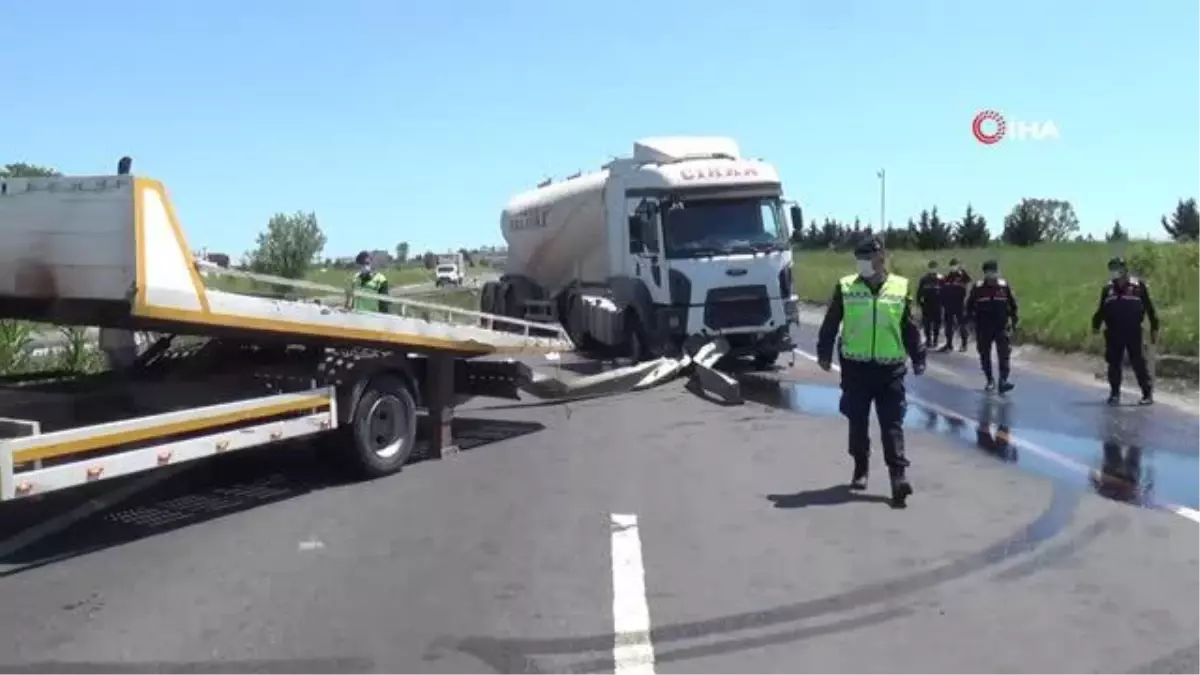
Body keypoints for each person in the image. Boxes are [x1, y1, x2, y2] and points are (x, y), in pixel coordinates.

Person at [816, 236, 926, 507]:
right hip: (856, 368)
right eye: (859, 258)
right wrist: (824, 354)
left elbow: (909, 326)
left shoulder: (900, 287)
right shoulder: (846, 287)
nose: (862, 263)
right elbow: (831, 323)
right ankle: (861, 467)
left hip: (890, 369)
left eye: (867, 258)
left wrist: (918, 356)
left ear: (881, 258)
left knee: (892, 424)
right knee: (858, 422)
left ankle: (898, 477)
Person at [1090, 256, 1157, 405]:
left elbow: (1149, 308)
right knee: (1114, 363)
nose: (1115, 272)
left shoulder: (1138, 286)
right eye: (1112, 269)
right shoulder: (1108, 289)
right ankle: (1114, 394)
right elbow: (1101, 309)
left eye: (1117, 268)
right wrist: (1095, 325)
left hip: (1133, 331)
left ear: (1125, 269)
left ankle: (1147, 394)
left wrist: (1154, 327)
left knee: (1138, 362)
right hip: (1114, 331)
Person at [965, 259, 1018, 393]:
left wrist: (1014, 321)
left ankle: (1003, 381)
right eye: (990, 272)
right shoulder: (978, 288)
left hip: (1001, 326)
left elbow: (1012, 305)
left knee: (1004, 355)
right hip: (983, 327)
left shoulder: (1003, 286)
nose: (993, 274)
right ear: (985, 273)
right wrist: (969, 323)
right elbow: (969, 307)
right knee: (984, 355)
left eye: (995, 271)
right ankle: (990, 380)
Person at [940, 257, 972, 351]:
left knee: (962, 324)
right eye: (952, 265)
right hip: (949, 304)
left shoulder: (963, 276)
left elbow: (969, 285)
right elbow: (943, 290)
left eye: (955, 265)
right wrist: (943, 304)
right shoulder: (947, 277)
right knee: (948, 325)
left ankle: (964, 344)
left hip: (960, 304)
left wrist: (967, 300)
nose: (953, 267)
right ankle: (949, 344)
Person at [916, 260, 944, 348]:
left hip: (937, 305)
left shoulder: (941, 279)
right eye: (931, 267)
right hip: (927, 305)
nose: (933, 269)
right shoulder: (924, 279)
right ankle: (928, 340)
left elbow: (945, 292)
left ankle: (935, 340)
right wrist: (919, 302)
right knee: (926, 324)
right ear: (929, 268)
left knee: (937, 324)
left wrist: (943, 303)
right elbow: (919, 292)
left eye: (934, 267)